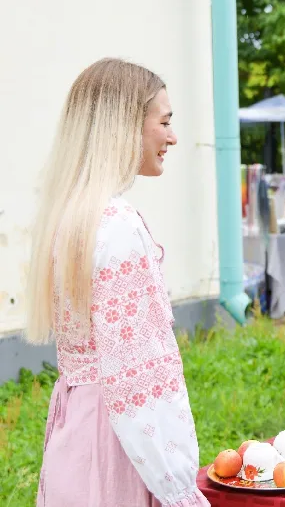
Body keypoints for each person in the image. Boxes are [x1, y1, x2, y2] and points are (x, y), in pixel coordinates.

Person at [24, 59, 209, 507]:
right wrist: (177, 485)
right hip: (120, 447)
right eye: (164, 122)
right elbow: (139, 374)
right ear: (126, 125)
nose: (173, 137)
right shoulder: (116, 224)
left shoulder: (69, 216)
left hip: (77, 433)